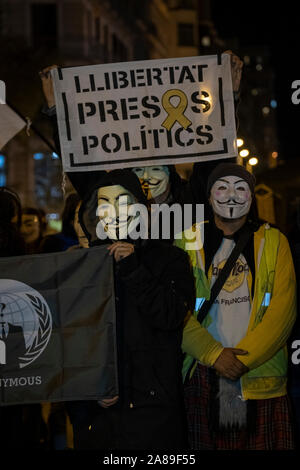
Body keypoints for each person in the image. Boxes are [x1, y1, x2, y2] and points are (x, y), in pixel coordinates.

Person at [64, 168, 195, 450]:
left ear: (141, 207)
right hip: (101, 419)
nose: (116, 212)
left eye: (124, 201)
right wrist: (91, 390)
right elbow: (72, 339)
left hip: (154, 413)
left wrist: (133, 268)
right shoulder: (85, 266)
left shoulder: (170, 259)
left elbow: (171, 315)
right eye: (105, 204)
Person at [177, 163, 297, 450]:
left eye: (240, 188)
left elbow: (283, 309)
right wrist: (213, 354)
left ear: (251, 198)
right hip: (205, 374)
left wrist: (242, 360)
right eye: (222, 187)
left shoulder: (274, 241)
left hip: (259, 376)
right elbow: (175, 310)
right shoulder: (186, 241)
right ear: (209, 197)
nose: (231, 195)